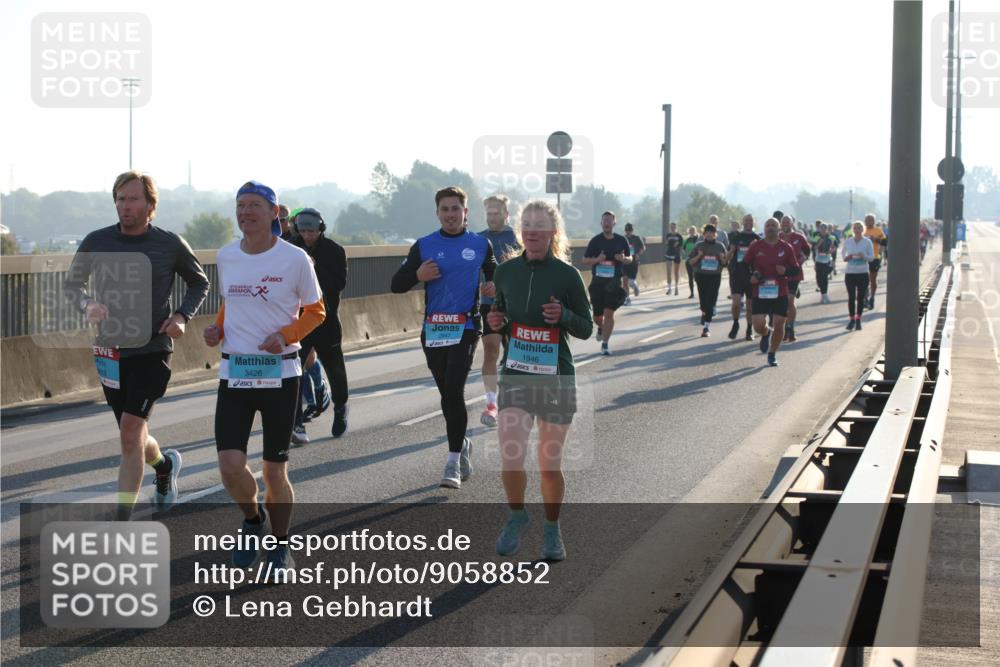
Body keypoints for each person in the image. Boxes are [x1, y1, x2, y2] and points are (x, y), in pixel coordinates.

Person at [64, 171, 209, 520]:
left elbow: (199, 282)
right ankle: (163, 466)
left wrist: (180, 317)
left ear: (150, 204)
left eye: (132, 199)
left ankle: (120, 522)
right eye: (119, 199)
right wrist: (87, 305)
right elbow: (72, 285)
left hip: (153, 349)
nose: (124, 206)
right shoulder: (97, 240)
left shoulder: (169, 243)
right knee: (134, 435)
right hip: (110, 352)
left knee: (130, 431)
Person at [203, 180, 325, 576]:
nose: (245, 212)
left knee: (274, 470)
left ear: (274, 213)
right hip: (235, 372)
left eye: (255, 205)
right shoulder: (226, 255)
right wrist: (217, 328)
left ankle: (281, 546)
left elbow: (316, 311)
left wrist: (286, 336)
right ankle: (254, 520)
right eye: (240, 205)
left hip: (280, 374)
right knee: (230, 465)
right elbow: (231, 302)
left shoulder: (295, 260)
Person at [487, 200, 593, 561]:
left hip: (555, 378)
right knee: (510, 456)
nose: (532, 230)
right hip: (516, 374)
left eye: (540, 225)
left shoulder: (567, 276)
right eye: (527, 224)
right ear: (520, 231)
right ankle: (517, 516)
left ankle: (552, 529)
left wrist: (563, 315)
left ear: (553, 232)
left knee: (549, 465)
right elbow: (498, 316)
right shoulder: (505, 272)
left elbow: (586, 327)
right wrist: (497, 322)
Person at [391, 186, 497, 489]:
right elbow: (396, 284)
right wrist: (417, 276)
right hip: (434, 329)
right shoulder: (424, 245)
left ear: (466, 212)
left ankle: (452, 461)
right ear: (438, 213)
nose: (450, 215)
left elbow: (496, 276)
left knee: (453, 390)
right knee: (446, 395)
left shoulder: (480, 244)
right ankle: (462, 443)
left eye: (456, 209)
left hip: (465, 327)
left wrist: (492, 287)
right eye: (445, 209)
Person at [292, 208, 350, 439]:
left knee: (335, 368)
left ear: (321, 229)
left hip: (326, 319)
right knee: (293, 372)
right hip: (299, 320)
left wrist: (314, 267)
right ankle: (295, 422)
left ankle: (340, 406)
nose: (307, 236)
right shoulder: (291, 248)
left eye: (312, 231)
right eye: (303, 231)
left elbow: (338, 284)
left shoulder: (334, 251)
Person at [478, 194, 522, 428]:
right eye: (489, 213)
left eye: (496, 213)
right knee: (491, 350)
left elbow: (527, 271)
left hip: (515, 305)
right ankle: (491, 403)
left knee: (514, 356)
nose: (492, 217)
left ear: (507, 214)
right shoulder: (477, 239)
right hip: (488, 304)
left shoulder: (518, 238)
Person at [743, 217, 801, 367]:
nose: (770, 228)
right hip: (760, 290)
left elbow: (795, 269)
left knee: (780, 323)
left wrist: (785, 270)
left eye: (773, 225)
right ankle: (766, 332)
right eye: (768, 225)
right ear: (764, 228)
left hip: (779, 290)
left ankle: (772, 353)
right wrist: (752, 276)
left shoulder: (786, 247)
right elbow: (744, 265)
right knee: (757, 325)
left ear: (778, 228)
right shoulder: (756, 246)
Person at [582, 211, 631, 356]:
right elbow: (584, 260)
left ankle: (605, 344)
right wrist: (597, 259)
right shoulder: (595, 241)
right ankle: (601, 327)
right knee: (597, 316)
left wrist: (623, 259)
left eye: (610, 220)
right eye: (605, 220)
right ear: (601, 223)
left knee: (609, 312)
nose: (607, 223)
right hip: (598, 281)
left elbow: (631, 258)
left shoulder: (621, 240)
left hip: (614, 281)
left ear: (614, 223)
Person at [688, 224, 727, 337]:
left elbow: (724, 263)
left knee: (711, 300)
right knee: (703, 301)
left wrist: (721, 258)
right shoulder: (699, 245)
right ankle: (705, 312)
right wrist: (699, 256)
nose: (709, 234)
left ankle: (706, 327)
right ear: (704, 234)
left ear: (716, 235)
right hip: (701, 275)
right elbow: (690, 262)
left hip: (715, 276)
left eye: (712, 232)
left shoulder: (720, 246)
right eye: (707, 232)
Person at [725, 214, 760, 340]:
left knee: (750, 306)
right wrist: (730, 252)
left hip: (750, 275)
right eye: (746, 221)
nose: (748, 223)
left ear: (754, 223)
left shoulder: (757, 239)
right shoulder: (736, 237)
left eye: (751, 221)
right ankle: (735, 323)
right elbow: (728, 257)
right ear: (742, 222)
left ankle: (749, 329)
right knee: (736, 303)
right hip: (737, 273)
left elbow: (760, 258)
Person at [779, 215, 811, 342]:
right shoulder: (777, 237)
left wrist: (802, 260)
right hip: (780, 274)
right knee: (783, 303)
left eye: (787, 222)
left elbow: (807, 251)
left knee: (790, 301)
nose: (785, 224)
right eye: (783, 222)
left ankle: (790, 327)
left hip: (794, 273)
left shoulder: (799, 237)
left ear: (792, 224)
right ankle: (783, 327)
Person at [842, 221, 875, 330]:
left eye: (859, 228)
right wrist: (847, 257)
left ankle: (858, 319)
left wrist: (863, 256)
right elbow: (843, 256)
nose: (857, 230)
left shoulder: (867, 242)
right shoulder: (848, 242)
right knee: (851, 297)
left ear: (863, 229)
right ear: (853, 229)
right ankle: (851, 319)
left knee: (860, 297)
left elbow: (871, 258)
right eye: (855, 228)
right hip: (850, 273)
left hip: (863, 273)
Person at [863, 214, 887, 309]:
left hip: (874, 257)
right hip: (863, 258)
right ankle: (865, 298)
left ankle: (872, 297)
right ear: (865, 221)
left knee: (872, 280)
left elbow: (885, 242)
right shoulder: (862, 230)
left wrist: (875, 239)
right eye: (867, 220)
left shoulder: (878, 230)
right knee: (864, 280)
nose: (869, 222)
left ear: (874, 221)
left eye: (871, 220)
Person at [622, 222, 646, 303]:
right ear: (625, 231)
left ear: (632, 230)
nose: (628, 232)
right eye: (627, 230)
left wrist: (638, 254)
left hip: (634, 262)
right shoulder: (622, 239)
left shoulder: (636, 238)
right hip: (625, 262)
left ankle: (635, 286)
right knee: (624, 281)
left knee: (630, 281)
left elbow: (643, 248)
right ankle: (627, 298)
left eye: (629, 230)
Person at [813, 222, 836, 304]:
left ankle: (824, 295)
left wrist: (831, 251)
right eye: (821, 228)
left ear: (827, 230)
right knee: (819, 278)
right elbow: (813, 247)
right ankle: (823, 294)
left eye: (824, 229)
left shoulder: (831, 237)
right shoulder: (816, 237)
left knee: (824, 277)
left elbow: (834, 248)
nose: (822, 230)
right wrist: (819, 243)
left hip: (827, 259)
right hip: (819, 260)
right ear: (819, 229)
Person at [663, 222, 683, 295]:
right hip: (669, 254)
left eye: (674, 227)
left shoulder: (679, 236)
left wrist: (680, 255)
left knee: (676, 272)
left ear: (676, 227)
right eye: (671, 227)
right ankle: (669, 288)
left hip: (676, 255)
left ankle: (676, 288)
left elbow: (681, 246)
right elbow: (666, 243)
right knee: (668, 272)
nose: (672, 228)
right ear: (670, 227)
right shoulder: (668, 235)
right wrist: (667, 242)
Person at [681, 226, 699, 299]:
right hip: (688, 260)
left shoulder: (698, 239)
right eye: (690, 230)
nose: (691, 232)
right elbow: (682, 249)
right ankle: (692, 293)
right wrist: (685, 255)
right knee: (690, 277)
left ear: (695, 231)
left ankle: (700, 291)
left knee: (697, 277)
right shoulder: (687, 240)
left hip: (697, 260)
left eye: (693, 230)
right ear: (688, 231)